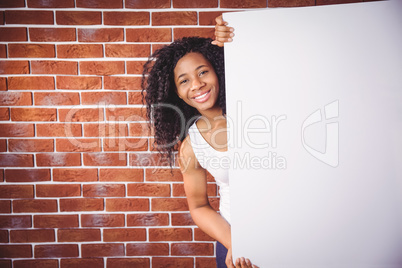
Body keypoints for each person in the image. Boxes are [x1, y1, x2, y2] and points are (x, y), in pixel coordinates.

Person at [142, 16, 258, 268]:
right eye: (184, 81)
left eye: (203, 72)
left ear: (217, 70)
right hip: (235, 246)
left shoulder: (256, 109)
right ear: (177, 92)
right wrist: (235, 242)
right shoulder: (191, 144)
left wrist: (237, 43)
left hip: (290, 235)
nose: (197, 85)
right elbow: (199, 206)